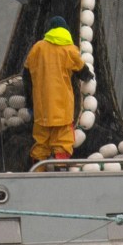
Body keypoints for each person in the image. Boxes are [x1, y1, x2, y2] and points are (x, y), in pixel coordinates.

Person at [24, 25, 86, 163]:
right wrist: (88, 76)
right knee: (63, 141)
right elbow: (82, 70)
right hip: (62, 108)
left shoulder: (37, 48)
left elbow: (26, 73)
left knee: (41, 142)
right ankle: (60, 169)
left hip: (42, 110)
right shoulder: (69, 49)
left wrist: (29, 101)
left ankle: (37, 171)